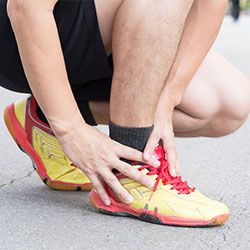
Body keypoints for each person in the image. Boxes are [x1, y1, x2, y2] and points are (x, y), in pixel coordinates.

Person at [1, 0, 250, 226]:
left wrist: (165, 99)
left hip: (94, 28)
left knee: (227, 104)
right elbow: (26, 7)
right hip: (18, 34)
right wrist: (70, 129)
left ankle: (41, 118)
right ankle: (132, 170)